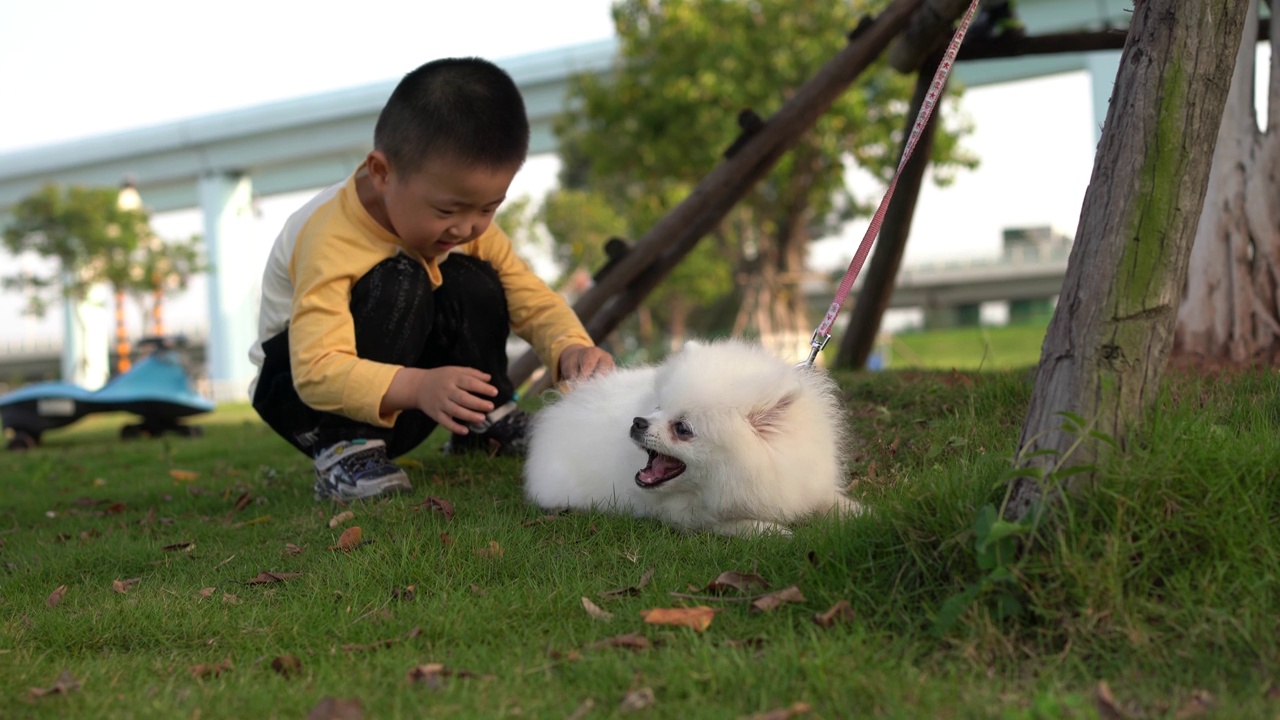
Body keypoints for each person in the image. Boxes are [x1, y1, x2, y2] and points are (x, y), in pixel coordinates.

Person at [248, 57, 614, 502]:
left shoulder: (463, 231)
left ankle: (483, 419)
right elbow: (316, 370)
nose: (465, 228)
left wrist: (569, 347)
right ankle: (345, 448)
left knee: (476, 278)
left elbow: (529, 296)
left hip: (418, 396)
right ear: (382, 173)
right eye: (447, 210)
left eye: (487, 208)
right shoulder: (328, 237)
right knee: (400, 277)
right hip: (304, 397)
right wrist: (419, 385)